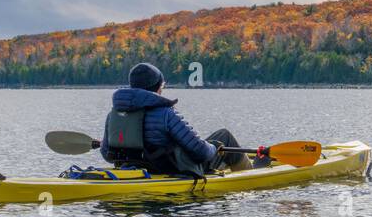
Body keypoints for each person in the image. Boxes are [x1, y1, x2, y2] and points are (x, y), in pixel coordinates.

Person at [100, 62, 265, 178]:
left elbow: (107, 154)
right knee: (224, 136)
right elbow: (200, 151)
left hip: (140, 170)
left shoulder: (114, 114)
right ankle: (252, 175)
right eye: (162, 86)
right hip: (173, 169)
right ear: (157, 87)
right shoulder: (165, 114)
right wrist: (215, 148)